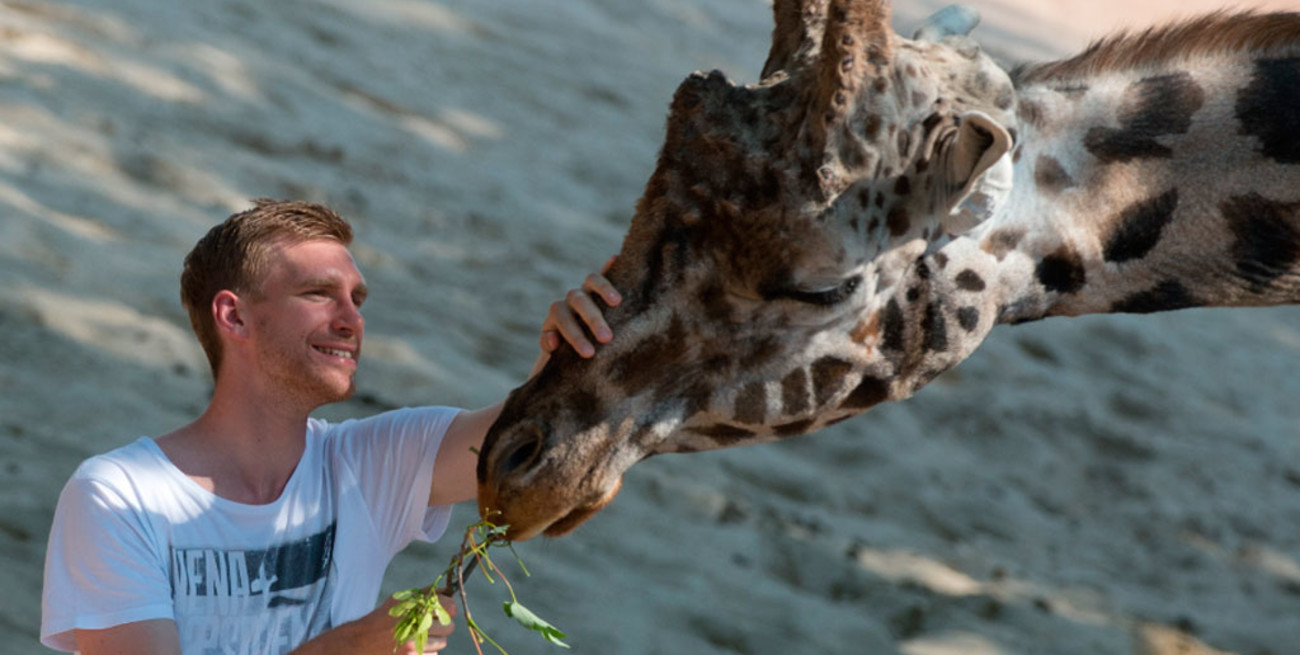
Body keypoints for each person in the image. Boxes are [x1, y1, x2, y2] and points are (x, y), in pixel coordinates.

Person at [39, 199, 620, 654]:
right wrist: (347, 649)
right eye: (319, 293)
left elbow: (530, 439)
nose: (352, 320)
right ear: (233, 315)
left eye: (357, 299)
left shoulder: (370, 462)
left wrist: (573, 358)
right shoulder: (120, 495)